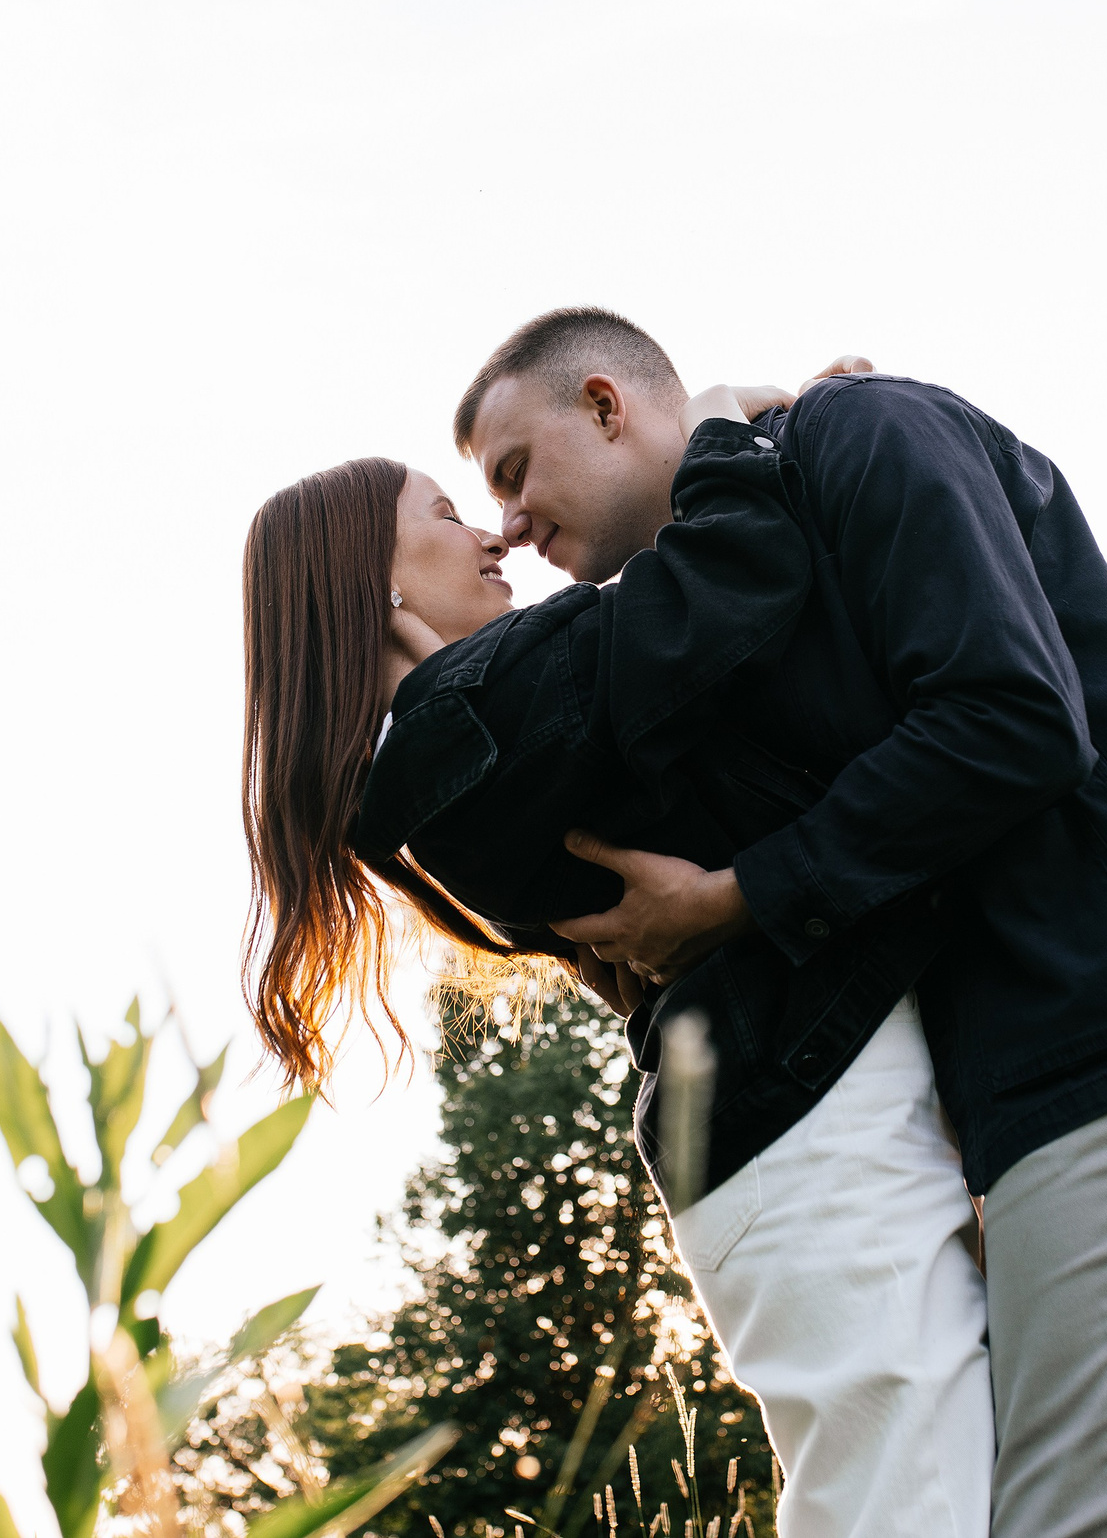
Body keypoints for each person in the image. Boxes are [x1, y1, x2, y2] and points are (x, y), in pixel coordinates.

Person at [456, 307, 1107, 1538]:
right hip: (1081, 1056)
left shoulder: (859, 430)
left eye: (515, 473)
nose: (508, 526)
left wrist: (734, 902)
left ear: (605, 403)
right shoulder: (748, 554)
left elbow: (1012, 716)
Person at [237, 372, 993, 1538]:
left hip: (776, 1141)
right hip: (811, 1141)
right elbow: (734, 576)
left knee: (910, 1487)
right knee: (918, 1500)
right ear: (376, 582)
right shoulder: (478, 707)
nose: (492, 536)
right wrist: (722, 428)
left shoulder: (441, 761)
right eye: (446, 513)